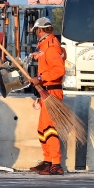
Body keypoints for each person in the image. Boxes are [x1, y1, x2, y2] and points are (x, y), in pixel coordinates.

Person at [28, 17, 65, 176]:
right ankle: (48, 160)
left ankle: (56, 164)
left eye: (36, 30)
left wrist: (40, 79)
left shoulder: (51, 47)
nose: (36, 33)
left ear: (40, 30)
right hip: (46, 92)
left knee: (49, 128)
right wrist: (38, 56)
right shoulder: (46, 46)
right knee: (42, 129)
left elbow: (59, 70)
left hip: (52, 92)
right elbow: (49, 61)